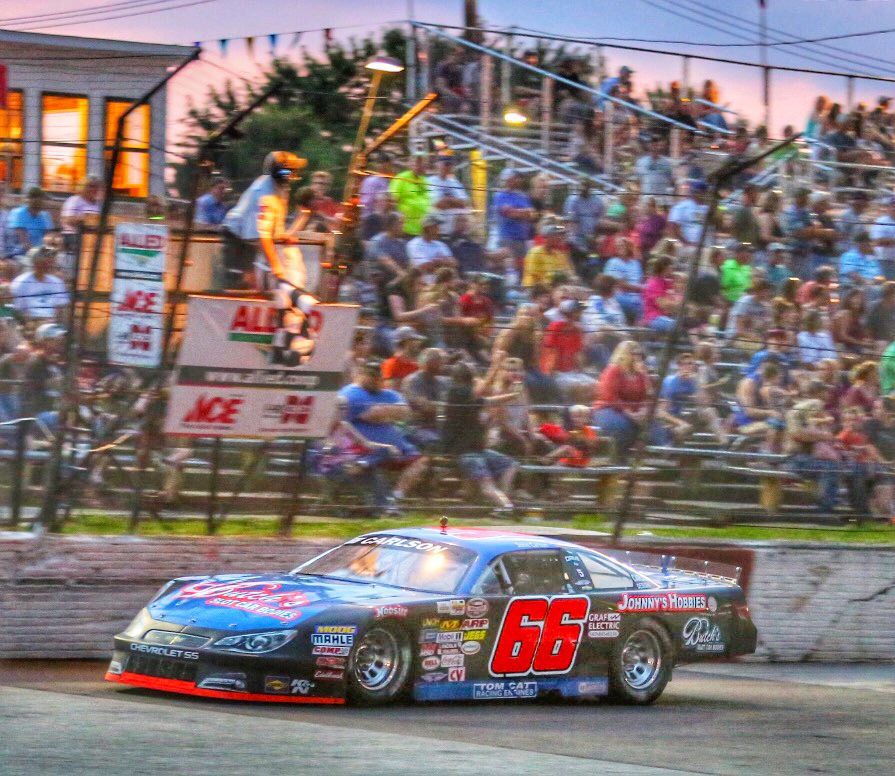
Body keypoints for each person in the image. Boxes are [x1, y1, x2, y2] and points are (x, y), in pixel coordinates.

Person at [338, 359, 428, 505]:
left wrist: (382, 412)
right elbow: (371, 415)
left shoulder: (388, 393)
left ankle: (396, 497)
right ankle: (380, 502)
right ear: (362, 376)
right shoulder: (351, 393)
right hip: (364, 449)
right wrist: (387, 413)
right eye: (372, 377)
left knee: (420, 462)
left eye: (379, 377)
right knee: (367, 463)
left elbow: (405, 412)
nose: (377, 381)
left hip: (397, 447)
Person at [221, 150, 310, 291]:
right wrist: (276, 267)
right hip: (236, 236)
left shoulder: (282, 186)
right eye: (290, 170)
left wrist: (282, 236)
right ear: (280, 171)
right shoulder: (265, 196)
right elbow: (264, 236)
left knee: (254, 282)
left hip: (251, 235)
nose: (293, 173)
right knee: (243, 282)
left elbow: (275, 222)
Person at [441, 361, 517, 514]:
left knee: (510, 465)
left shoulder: (468, 393)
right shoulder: (456, 392)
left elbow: (487, 402)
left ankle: (502, 505)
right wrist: (495, 367)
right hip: (464, 451)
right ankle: (506, 507)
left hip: (479, 450)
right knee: (486, 482)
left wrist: (512, 396)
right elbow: (481, 395)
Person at [593, 340, 669, 459]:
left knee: (653, 425)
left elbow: (646, 397)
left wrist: (643, 411)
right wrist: (630, 414)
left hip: (635, 412)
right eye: (634, 354)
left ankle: (663, 454)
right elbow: (610, 397)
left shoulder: (641, 374)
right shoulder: (613, 370)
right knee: (623, 426)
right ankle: (618, 457)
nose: (638, 357)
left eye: (639, 354)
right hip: (609, 409)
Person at [540, 299, 594, 403]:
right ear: (571, 313)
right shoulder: (556, 326)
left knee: (595, 384)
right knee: (579, 387)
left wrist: (582, 371)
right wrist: (549, 376)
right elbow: (551, 352)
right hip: (557, 373)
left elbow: (578, 355)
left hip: (572, 372)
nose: (580, 314)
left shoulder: (577, 330)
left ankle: (584, 413)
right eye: (578, 311)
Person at [401, 347, 447, 451]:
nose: (443, 365)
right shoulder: (412, 381)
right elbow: (424, 406)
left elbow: (446, 404)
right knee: (436, 443)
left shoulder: (441, 382)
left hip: (437, 426)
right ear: (430, 362)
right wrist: (445, 406)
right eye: (440, 361)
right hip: (417, 427)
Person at [10, 246, 68, 321]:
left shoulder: (57, 282)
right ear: (35, 263)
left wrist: (52, 321)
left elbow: (61, 308)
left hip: (52, 324)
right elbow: (19, 311)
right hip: (29, 324)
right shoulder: (21, 282)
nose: (50, 263)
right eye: (45, 260)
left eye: (50, 260)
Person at [492, 168, 537, 263]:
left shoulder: (523, 196)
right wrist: (524, 213)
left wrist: (517, 212)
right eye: (515, 178)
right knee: (509, 266)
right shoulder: (500, 196)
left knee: (522, 267)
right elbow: (509, 213)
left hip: (522, 239)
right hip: (507, 239)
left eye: (518, 178)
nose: (518, 180)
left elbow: (532, 214)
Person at [603, 235, 643, 323]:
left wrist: (642, 289)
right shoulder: (613, 262)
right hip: (618, 295)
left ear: (629, 247)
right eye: (618, 246)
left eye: (622, 245)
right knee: (640, 304)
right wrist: (641, 288)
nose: (619, 248)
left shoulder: (636, 264)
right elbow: (619, 284)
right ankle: (639, 331)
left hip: (636, 294)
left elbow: (639, 280)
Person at [522, 223, 575, 288]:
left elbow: (568, 272)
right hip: (535, 288)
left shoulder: (559, 254)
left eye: (559, 235)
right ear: (546, 237)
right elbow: (533, 275)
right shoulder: (535, 252)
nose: (559, 238)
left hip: (556, 288)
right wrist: (552, 279)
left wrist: (571, 278)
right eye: (556, 235)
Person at [426, 155, 469, 235]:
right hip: (437, 229)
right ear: (437, 164)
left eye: (450, 165)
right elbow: (437, 204)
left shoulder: (454, 182)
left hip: (454, 231)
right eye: (446, 164)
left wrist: (447, 200)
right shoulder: (429, 181)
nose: (448, 167)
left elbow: (463, 203)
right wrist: (453, 201)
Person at [407, 215, 456, 284]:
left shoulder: (441, 244)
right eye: (436, 227)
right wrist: (443, 263)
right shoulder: (414, 244)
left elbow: (454, 263)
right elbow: (424, 267)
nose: (439, 230)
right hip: (425, 284)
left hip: (445, 284)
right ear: (427, 228)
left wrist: (438, 262)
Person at [389, 154, 430, 237]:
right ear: (410, 164)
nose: (420, 166)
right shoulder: (401, 178)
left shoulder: (425, 181)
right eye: (418, 163)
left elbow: (428, 201)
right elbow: (392, 201)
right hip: (405, 230)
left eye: (423, 163)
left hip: (422, 231)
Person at [8, 187, 53, 258]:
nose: (46, 202)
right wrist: (42, 255)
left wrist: (50, 253)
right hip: (19, 255)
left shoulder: (45, 215)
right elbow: (24, 243)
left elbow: (49, 239)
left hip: (40, 255)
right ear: (34, 200)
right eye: (43, 199)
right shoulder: (19, 213)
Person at [668, 180, 710, 253]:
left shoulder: (707, 208)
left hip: (704, 247)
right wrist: (685, 242)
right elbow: (673, 226)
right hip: (687, 247)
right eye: (699, 192)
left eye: (704, 193)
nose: (702, 195)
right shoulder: (681, 207)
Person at [365, 212, 409, 281]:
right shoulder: (377, 241)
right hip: (376, 281)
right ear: (391, 225)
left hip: (394, 280)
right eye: (401, 223)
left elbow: (408, 263)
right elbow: (387, 262)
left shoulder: (401, 243)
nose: (403, 226)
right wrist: (404, 276)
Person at [642, 255, 677, 333]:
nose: (673, 270)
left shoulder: (665, 282)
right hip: (653, 317)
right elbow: (663, 305)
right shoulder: (653, 283)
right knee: (675, 325)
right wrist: (678, 304)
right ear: (665, 267)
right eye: (671, 267)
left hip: (665, 316)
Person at [634, 136, 675, 200]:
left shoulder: (666, 163)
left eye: (656, 145)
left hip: (661, 198)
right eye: (652, 144)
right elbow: (637, 180)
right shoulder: (641, 162)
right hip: (646, 197)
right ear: (649, 145)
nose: (654, 147)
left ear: (659, 146)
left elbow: (670, 180)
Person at [871, 193, 895, 281]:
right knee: (886, 289)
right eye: (893, 205)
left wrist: (890, 241)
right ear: (888, 207)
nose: (894, 208)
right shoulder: (881, 221)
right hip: (884, 262)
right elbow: (878, 241)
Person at [866, 281, 895, 350]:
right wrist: (871, 341)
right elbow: (869, 327)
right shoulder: (875, 307)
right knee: (882, 344)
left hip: (892, 340)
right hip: (880, 340)